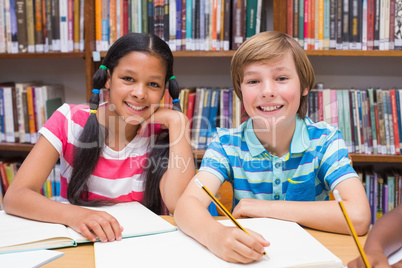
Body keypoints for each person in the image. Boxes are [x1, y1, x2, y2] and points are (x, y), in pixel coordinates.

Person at [174, 31, 371, 264]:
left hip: (308, 257)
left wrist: (265, 208)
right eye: (253, 81)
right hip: (251, 257)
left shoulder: (325, 140)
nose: (267, 91)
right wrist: (215, 235)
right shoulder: (226, 144)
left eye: (281, 78)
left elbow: (358, 217)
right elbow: (186, 206)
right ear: (240, 92)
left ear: (305, 86)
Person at [3, 33, 195, 243]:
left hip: (141, 244)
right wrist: (77, 215)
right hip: (82, 241)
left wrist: (178, 123)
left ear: (164, 90)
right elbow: (16, 197)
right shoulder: (68, 120)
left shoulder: (163, 134)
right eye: (128, 79)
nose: (140, 93)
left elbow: (178, 204)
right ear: (107, 79)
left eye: (153, 84)